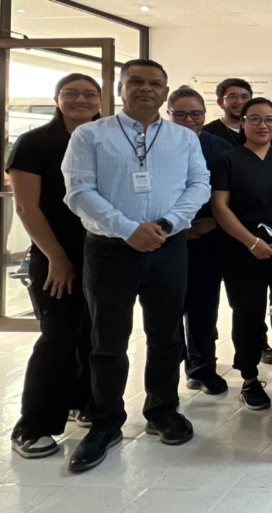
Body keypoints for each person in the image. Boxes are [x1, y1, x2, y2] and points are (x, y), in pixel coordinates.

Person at [62, 59, 210, 471]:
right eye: (137, 82)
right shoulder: (91, 135)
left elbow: (199, 184)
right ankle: (105, 422)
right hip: (110, 250)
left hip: (168, 246)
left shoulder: (183, 138)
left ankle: (163, 410)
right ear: (121, 88)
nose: (146, 89)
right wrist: (128, 229)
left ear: (165, 91)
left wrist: (167, 224)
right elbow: (79, 191)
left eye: (155, 83)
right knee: (108, 340)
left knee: (166, 335)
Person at [7, 73, 100, 459]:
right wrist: (56, 258)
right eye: (71, 93)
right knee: (58, 336)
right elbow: (26, 207)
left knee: (92, 335)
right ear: (57, 98)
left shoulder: (104, 139)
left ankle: (82, 402)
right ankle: (33, 426)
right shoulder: (34, 143)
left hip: (101, 253)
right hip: (55, 255)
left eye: (90, 94)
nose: (81, 100)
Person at [210, 97, 272, 405]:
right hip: (243, 250)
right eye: (254, 118)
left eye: (269, 119)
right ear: (242, 123)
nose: (262, 125)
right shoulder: (228, 160)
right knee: (248, 314)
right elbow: (220, 206)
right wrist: (251, 242)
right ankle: (250, 378)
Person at [201, 77, 272, 365]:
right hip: (220, 234)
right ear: (221, 101)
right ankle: (204, 362)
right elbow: (217, 198)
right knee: (221, 303)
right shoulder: (211, 137)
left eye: (244, 95)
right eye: (232, 96)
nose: (239, 101)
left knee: (261, 301)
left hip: (269, 237)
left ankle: (263, 345)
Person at [166, 85, 233, 396]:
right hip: (165, 238)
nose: (189, 120)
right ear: (169, 114)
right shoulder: (156, 144)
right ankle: (169, 371)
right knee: (168, 308)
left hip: (208, 236)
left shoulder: (220, 147)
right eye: (180, 114)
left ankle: (202, 368)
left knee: (203, 307)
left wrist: (212, 222)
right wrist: (175, 227)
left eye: (195, 114)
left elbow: (232, 193)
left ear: (205, 114)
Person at [202, 78, 251, 147]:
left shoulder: (260, 129)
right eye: (233, 96)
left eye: (244, 97)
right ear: (220, 102)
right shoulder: (206, 133)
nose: (240, 101)